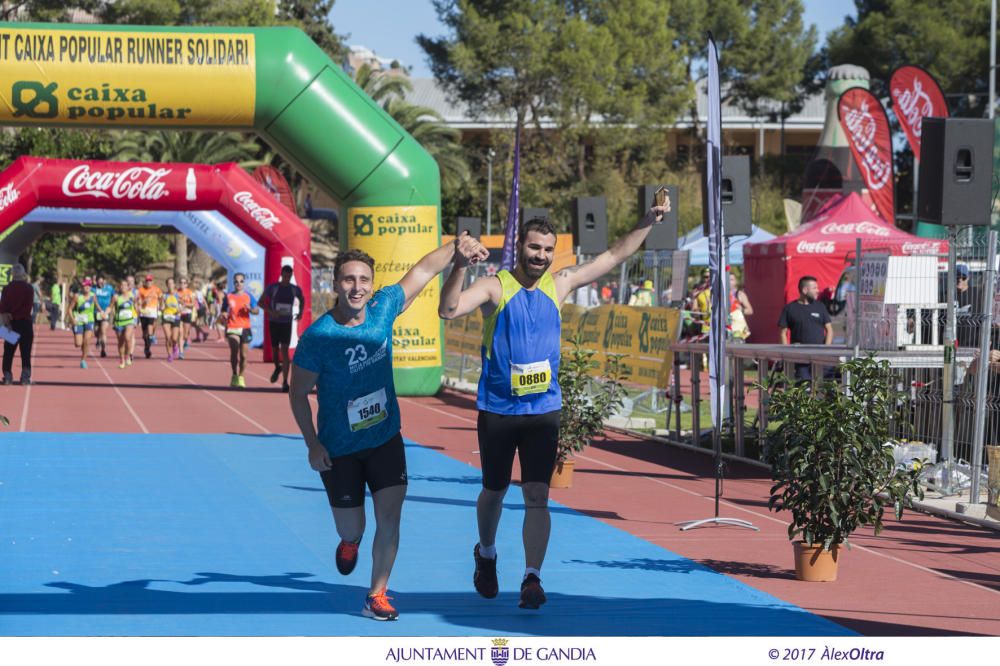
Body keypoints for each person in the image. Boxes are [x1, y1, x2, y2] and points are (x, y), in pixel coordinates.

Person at [438, 201, 670, 611]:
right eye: (534, 248)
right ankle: (487, 554)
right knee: (493, 492)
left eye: (547, 250)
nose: (541, 257)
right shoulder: (496, 286)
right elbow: (448, 310)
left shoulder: (559, 284)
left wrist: (647, 222)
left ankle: (532, 577)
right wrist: (458, 265)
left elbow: (615, 255)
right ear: (519, 247)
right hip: (498, 410)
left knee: (537, 495)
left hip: (543, 410)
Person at [289, 234, 489, 621]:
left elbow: (424, 270)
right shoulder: (318, 337)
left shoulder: (383, 308)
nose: (357, 287)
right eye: (348, 280)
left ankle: (376, 594)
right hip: (339, 447)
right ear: (335, 284)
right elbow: (298, 395)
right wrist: (312, 445)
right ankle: (350, 542)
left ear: (372, 285)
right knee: (354, 525)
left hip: (385, 437)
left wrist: (457, 245)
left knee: (391, 517)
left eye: (364, 280)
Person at [260, 265, 305, 392]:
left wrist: (300, 312)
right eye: (284, 276)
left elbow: (302, 299)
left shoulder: (294, 289)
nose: (286, 279)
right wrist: (271, 311)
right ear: (281, 275)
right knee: (275, 351)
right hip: (274, 322)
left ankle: (285, 382)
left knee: (284, 351)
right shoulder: (272, 288)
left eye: (289, 276)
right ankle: (277, 367)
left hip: (286, 322)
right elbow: (261, 302)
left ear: (291, 276)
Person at [779, 275, 833, 381]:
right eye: (814, 288)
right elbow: (782, 332)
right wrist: (787, 353)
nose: (818, 291)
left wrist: (826, 349)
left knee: (823, 387)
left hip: (820, 357)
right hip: (800, 358)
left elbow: (829, 330)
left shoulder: (820, 307)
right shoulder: (790, 308)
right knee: (805, 387)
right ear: (804, 290)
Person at [217, 273, 260, 388]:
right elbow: (223, 311)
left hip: (245, 327)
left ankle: (241, 376)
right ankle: (234, 375)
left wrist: (251, 309)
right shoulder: (229, 296)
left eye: (241, 281)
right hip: (232, 327)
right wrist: (224, 314)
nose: (239, 283)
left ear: (244, 283)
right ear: (233, 283)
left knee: (244, 356)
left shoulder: (249, 296)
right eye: (236, 281)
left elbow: (257, 310)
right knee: (234, 350)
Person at [1, 264, 35, 385]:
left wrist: (7, 323)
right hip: (25, 323)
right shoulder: (29, 288)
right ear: (23, 274)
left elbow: (3, 310)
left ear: (12, 275)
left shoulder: (6, 289)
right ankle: (25, 376)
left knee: (8, 352)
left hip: (11, 323)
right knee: (25, 351)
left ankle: (7, 375)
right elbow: (29, 307)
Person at [69, 278, 98, 369]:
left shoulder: (93, 296)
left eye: (89, 285)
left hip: (89, 320)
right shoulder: (77, 296)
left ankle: (83, 360)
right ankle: (82, 345)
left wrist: (103, 312)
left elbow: (97, 305)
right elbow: (69, 309)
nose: (87, 287)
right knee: (78, 343)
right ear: (82, 287)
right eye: (85, 285)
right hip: (78, 321)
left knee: (87, 340)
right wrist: (73, 319)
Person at [111, 279, 137, 368]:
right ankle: (121, 358)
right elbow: (111, 308)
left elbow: (136, 306)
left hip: (129, 321)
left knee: (127, 337)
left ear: (128, 287)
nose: (123, 287)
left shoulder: (132, 296)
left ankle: (128, 355)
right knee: (121, 342)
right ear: (119, 287)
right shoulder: (116, 297)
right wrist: (106, 313)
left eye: (125, 285)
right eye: (121, 285)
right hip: (119, 322)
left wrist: (138, 310)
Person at [137, 274, 162, 359]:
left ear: (152, 281)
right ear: (145, 281)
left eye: (150, 280)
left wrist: (161, 305)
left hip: (152, 312)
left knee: (150, 330)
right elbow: (138, 302)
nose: (149, 282)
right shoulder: (141, 290)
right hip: (143, 313)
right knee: (144, 335)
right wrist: (144, 301)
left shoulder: (157, 289)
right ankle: (147, 348)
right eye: (147, 281)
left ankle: (150, 341)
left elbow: (161, 298)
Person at [94, 276, 116, 358]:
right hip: (96, 312)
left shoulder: (109, 288)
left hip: (106, 312)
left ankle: (103, 350)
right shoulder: (94, 289)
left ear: (105, 281)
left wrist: (110, 307)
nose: (100, 284)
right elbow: (94, 299)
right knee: (96, 331)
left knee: (103, 330)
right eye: (99, 282)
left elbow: (114, 298)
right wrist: (100, 310)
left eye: (102, 282)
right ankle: (98, 339)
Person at [161, 277, 183, 361]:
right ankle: (169, 355)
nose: (170, 285)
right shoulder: (164, 296)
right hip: (166, 316)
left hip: (175, 317)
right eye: (168, 283)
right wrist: (162, 307)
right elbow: (161, 306)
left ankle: (175, 345)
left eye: (172, 283)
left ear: (174, 285)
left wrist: (180, 309)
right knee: (167, 337)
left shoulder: (178, 295)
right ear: (167, 285)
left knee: (174, 338)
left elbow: (182, 304)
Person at [729, 273, 753, 342]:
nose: (729, 281)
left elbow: (750, 311)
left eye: (731, 279)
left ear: (735, 281)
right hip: (724, 329)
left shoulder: (739, 294)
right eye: (728, 279)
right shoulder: (721, 294)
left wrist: (741, 309)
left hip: (737, 330)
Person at [177, 277, 197, 354]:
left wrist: (185, 304)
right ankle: (181, 352)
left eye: (184, 283)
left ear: (186, 284)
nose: (182, 284)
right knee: (180, 333)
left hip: (187, 313)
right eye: (181, 283)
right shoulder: (176, 292)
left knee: (185, 334)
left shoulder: (190, 292)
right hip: (179, 314)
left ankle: (185, 341)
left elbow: (193, 304)